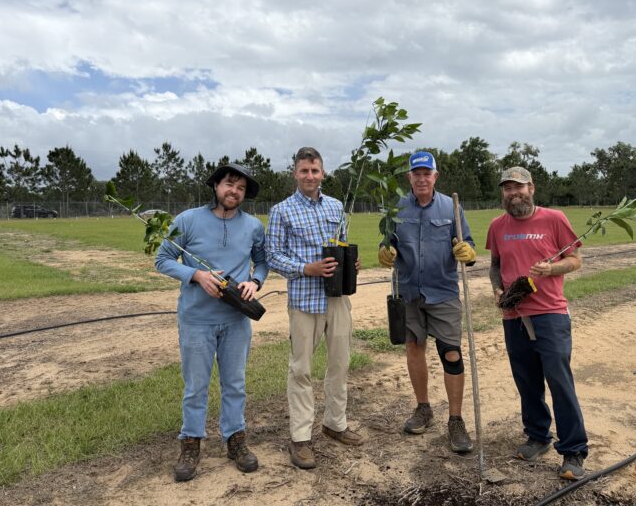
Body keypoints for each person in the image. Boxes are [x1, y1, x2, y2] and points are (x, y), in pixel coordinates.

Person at [155, 163, 268, 482]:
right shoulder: (187, 220)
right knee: (196, 387)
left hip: (236, 319)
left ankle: (235, 440)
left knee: (235, 384)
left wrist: (255, 282)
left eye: (241, 188)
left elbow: (261, 262)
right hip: (196, 320)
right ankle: (190, 443)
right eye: (230, 184)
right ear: (216, 185)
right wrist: (196, 274)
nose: (235, 191)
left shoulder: (254, 226)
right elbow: (162, 259)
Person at [485, 166, 589, 481]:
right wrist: (497, 289)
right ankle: (537, 436)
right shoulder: (497, 225)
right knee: (527, 380)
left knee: (559, 381)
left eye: (518, 187)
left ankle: (573, 450)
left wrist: (552, 270)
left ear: (531, 188)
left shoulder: (554, 218)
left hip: (550, 314)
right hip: (514, 315)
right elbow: (494, 265)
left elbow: (575, 260)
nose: (513, 193)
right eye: (507, 188)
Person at [265, 146, 363, 470]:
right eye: (304, 171)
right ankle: (300, 437)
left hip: (337, 301)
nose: (310, 176)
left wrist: (353, 263)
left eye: (315, 170)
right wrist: (307, 268)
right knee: (301, 369)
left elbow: (343, 245)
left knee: (339, 364)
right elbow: (273, 256)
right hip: (305, 302)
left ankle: (335, 423)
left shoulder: (336, 206)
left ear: (323, 173)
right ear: (295, 173)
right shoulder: (282, 211)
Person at [377, 151, 477, 453]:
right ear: (409, 177)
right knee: (413, 350)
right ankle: (423, 408)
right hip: (408, 293)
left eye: (426, 173)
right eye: (416, 173)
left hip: (443, 292)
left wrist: (467, 253)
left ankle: (456, 420)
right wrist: (385, 251)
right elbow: (388, 242)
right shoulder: (396, 207)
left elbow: (468, 243)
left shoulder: (452, 206)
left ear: (435, 176)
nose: (421, 178)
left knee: (451, 355)